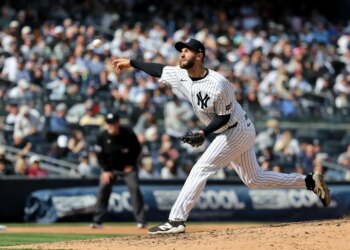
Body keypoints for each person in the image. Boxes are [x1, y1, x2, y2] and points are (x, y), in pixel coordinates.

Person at [112, 38, 331, 235]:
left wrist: (203, 133)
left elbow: (224, 117)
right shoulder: (181, 75)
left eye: (187, 51)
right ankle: (310, 181)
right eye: (181, 51)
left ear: (199, 56)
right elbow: (158, 69)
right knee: (254, 180)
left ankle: (176, 220)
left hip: (236, 129)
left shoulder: (219, 83)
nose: (182, 54)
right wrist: (132, 63)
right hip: (232, 130)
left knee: (201, 168)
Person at [90, 112, 147, 229]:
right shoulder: (102, 136)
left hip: (127, 167)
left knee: (134, 188)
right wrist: (106, 170)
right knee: (103, 189)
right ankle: (98, 221)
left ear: (118, 123)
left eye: (113, 123)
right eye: (109, 123)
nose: (111, 126)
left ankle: (141, 221)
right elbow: (100, 156)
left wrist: (131, 164)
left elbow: (137, 149)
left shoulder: (128, 134)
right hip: (110, 168)